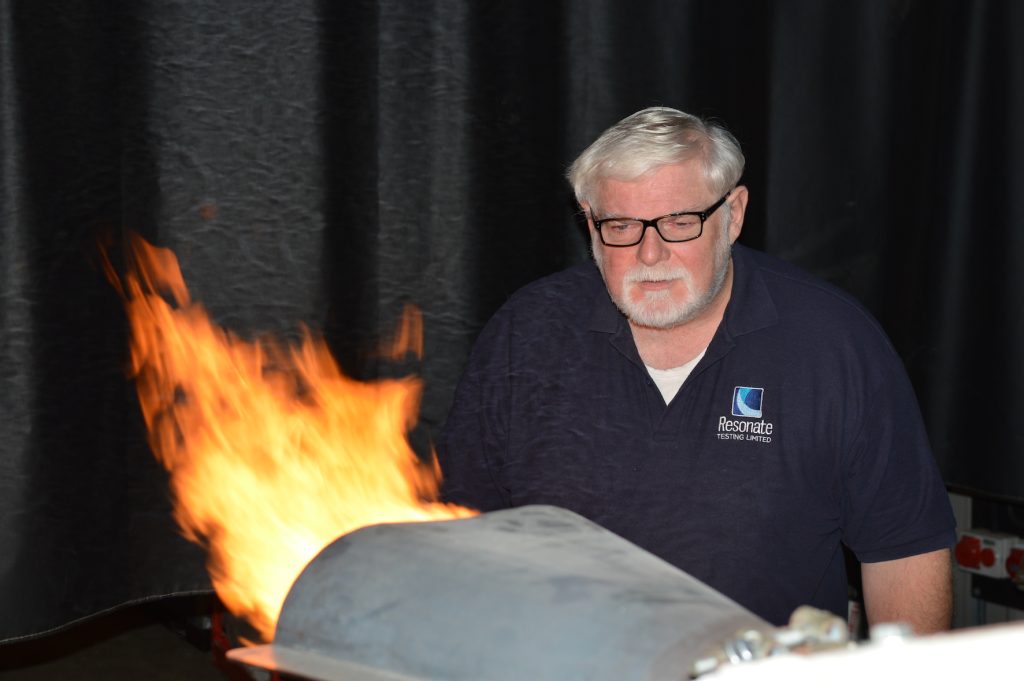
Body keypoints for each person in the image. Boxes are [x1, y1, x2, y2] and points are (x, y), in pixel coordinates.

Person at [436, 106, 955, 633]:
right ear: (589, 222)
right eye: (621, 225)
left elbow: (905, 551)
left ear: (733, 214)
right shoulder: (528, 334)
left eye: (680, 222)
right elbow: (462, 534)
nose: (651, 253)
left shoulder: (831, 342)